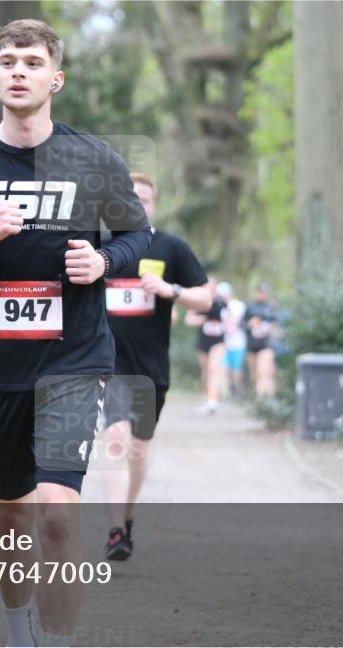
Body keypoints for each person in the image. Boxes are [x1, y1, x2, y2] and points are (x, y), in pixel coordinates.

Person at [0, 19, 151, 648]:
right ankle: (20, 644)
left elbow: (137, 236)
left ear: (55, 78)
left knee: (55, 514)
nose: (19, 70)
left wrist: (104, 263)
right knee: (13, 516)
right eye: (9, 60)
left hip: (74, 360)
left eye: (32, 61)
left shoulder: (94, 158)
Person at [98, 172, 210, 560]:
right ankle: (115, 530)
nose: (137, 205)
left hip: (151, 367)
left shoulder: (170, 248)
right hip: (106, 365)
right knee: (115, 439)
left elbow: (205, 298)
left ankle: (125, 519)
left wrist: (171, 291)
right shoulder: (100, 248)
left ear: (153, 204)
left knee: (139, 450)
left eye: (144, 199)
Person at [185, 278, 227, 413]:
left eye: (213, 285)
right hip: (203, 342)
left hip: (218, 341)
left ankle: (213, 400)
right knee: (206, 371)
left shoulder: (222, 303)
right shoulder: (198, 303)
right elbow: (188, 320)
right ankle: (207, 396)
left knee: (213, 369)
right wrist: (201, 320)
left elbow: (230, 321)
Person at [243, 282, 278, 399]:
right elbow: (241, 324)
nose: (262, 294)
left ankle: (262, 398)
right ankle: (261, 394)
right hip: (252, 344)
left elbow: (276, 324)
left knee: (263, 371)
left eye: (264, 292)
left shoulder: (271, 307)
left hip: (266, 344)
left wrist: (268, 328)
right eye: (260, 292)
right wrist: (250, 324)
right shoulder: (249, 307)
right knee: (255, 374)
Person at [220, 282, 247, 399]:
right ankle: (227, 392)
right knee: (224, 369)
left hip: (238, 343)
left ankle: (237, 390)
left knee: (236, 369)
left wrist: (230, 325)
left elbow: (234, 322)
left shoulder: (238, 305)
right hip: (224, 343)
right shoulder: (219, 306)